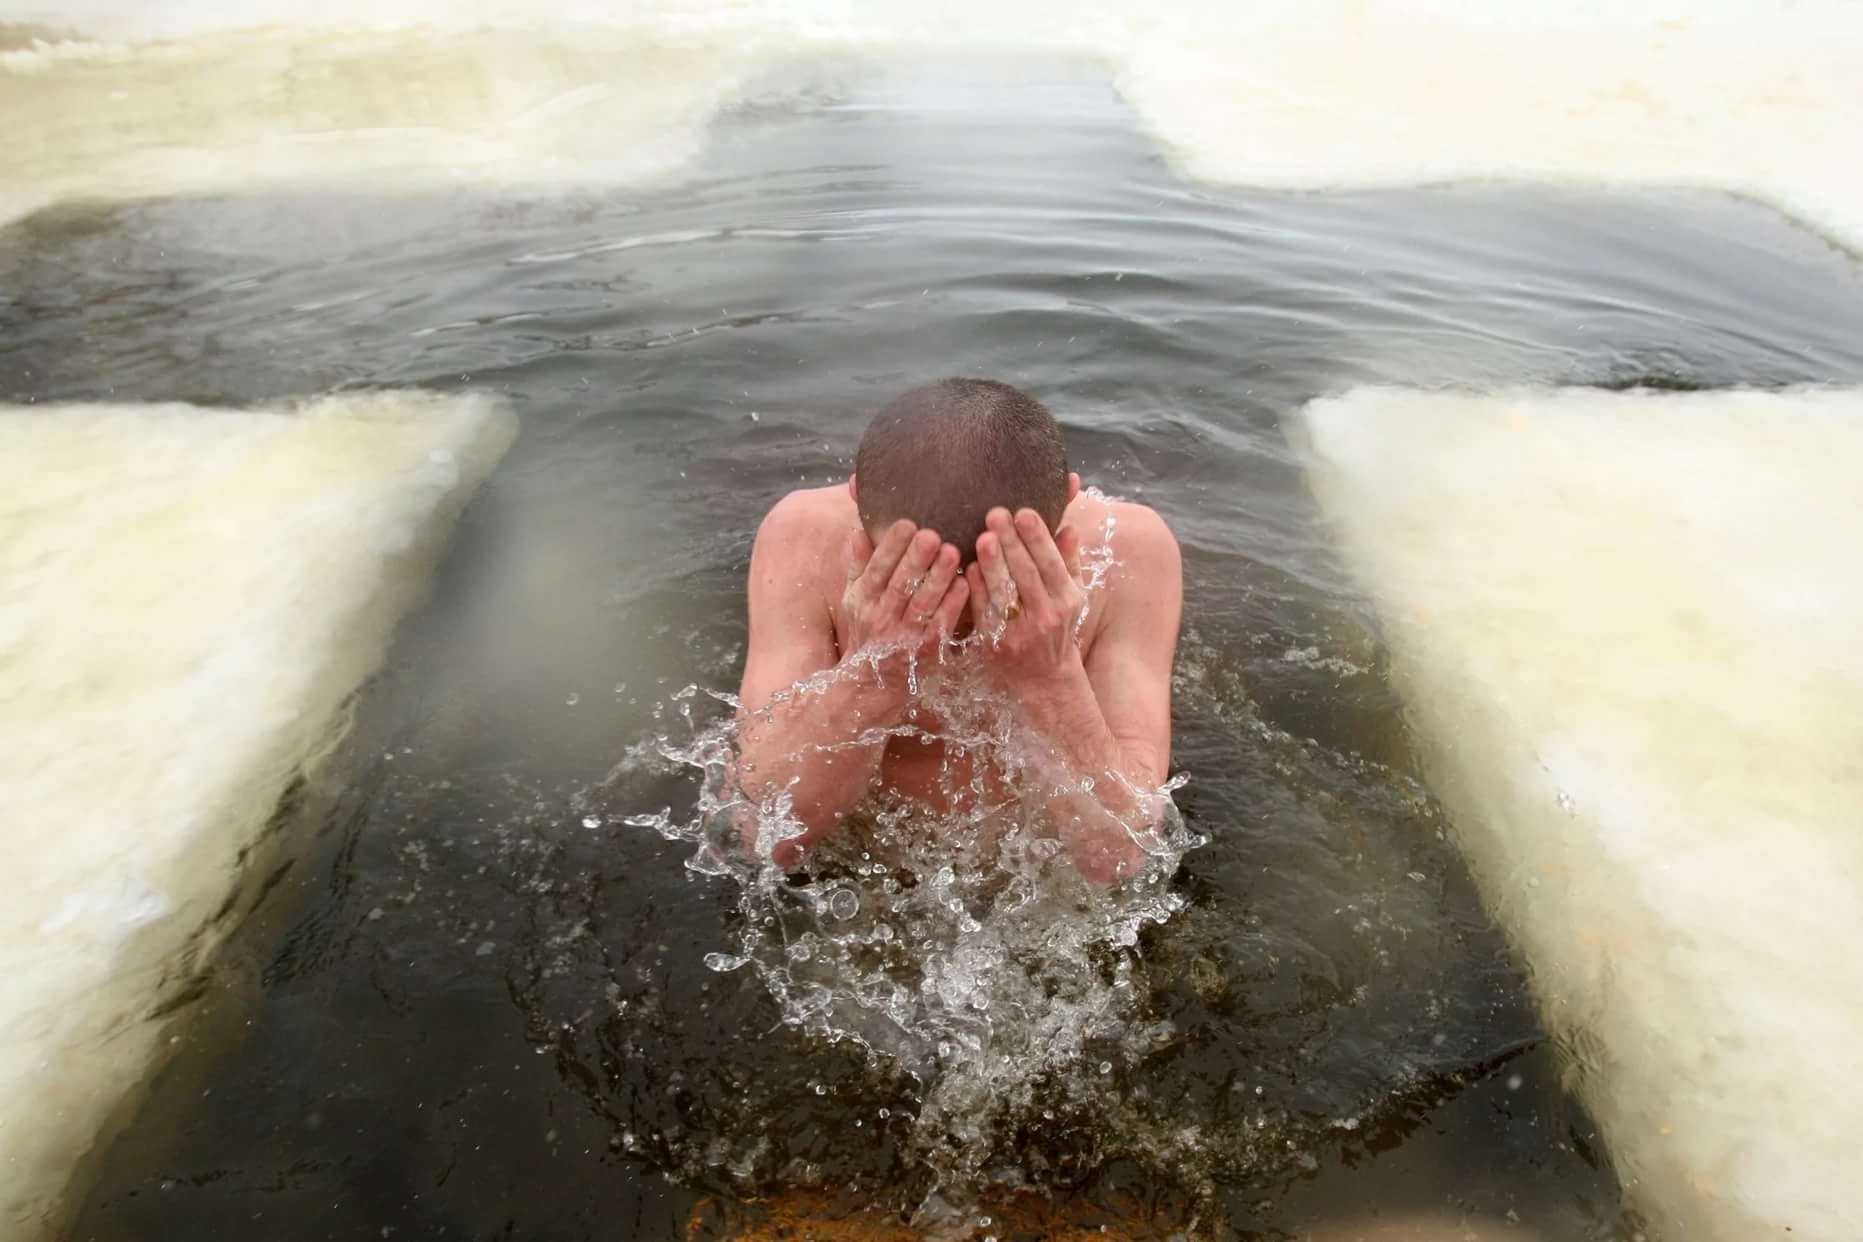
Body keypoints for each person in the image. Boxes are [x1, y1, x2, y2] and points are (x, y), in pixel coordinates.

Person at [733, 378, 1182, 882]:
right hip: (857, 869)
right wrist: (872, 673)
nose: (953, 621)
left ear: (1068, 504)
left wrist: (1049, 679)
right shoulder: (805, 538)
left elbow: (1124, 858)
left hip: (1040, 877)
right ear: (856, 503)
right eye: (920, 582)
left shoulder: (1132, 552)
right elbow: (763, 836)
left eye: (999, 582)